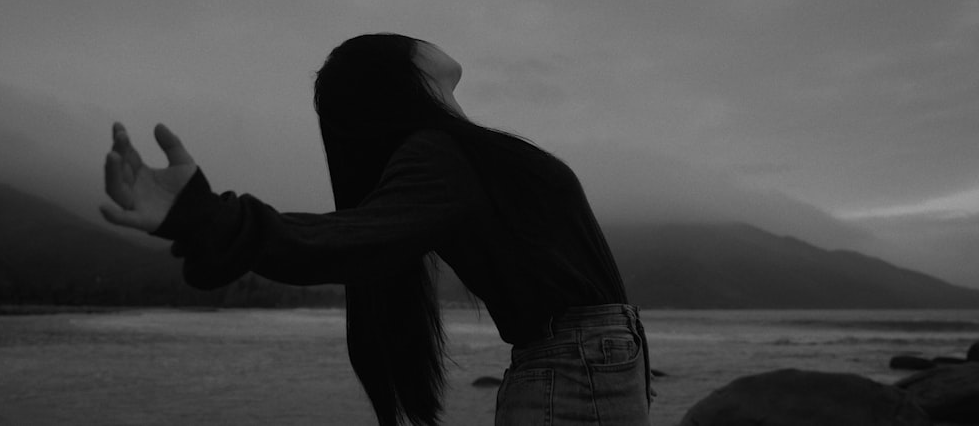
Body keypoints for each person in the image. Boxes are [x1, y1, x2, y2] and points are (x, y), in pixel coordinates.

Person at [102, 33, 652, 426]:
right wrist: (205, 217)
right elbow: (348, 240)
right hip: (576, 374)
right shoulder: (440, 156)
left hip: (582, 371)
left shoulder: (455, 153)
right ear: (399, 74)